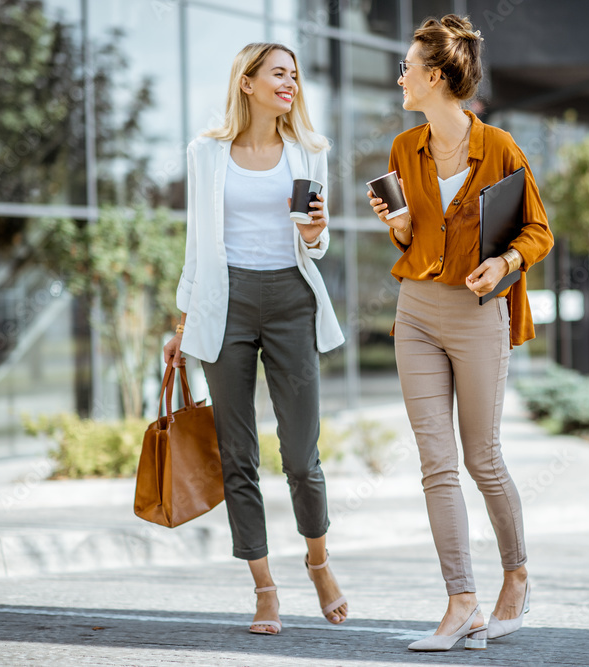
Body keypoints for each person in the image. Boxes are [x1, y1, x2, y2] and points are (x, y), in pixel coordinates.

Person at [367, 14, 553, 652]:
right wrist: (394, 224)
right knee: (436, 464)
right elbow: (410, 236)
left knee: (483, 458)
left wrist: (504, 263)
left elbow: (538, 230)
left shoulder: (499, 147)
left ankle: (517, 575)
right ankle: (461, 601)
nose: (400, 77)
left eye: (409, 68)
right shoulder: (403, 148)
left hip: (477, 317)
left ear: (437, 77)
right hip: (416, 310)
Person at [164, 42, 347, 635]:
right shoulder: (207, 153)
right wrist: (183, 320)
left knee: (301, 456)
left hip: (292, 300)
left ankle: (318, 561)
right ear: (247, 82)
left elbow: (314, 243)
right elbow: (197, 242)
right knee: (239, 457)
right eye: (279, 73)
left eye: (295, 74)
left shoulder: (309, 152)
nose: (290, 83)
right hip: (228, 305)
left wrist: (317, 231)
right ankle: (265, 589)